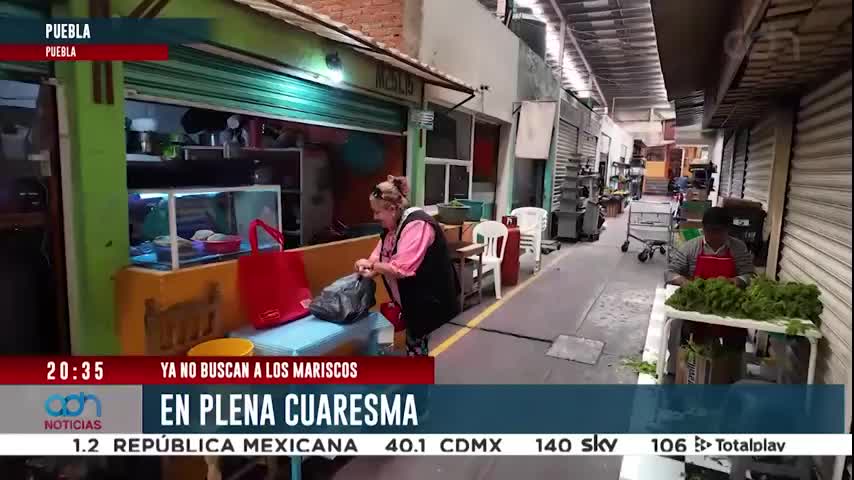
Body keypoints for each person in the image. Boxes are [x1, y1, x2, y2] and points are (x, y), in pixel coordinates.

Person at [354, 176, 460, 356]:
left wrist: (373, 266)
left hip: (429, 299)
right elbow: (379, 255)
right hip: (410, 300)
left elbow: (400, 269)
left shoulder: (417, 225)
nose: (375, 217)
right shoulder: (393, 228)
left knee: (417, 342)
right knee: (414, 342)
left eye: (377, 212)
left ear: (392, 209)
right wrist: (367, 266)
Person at [664, 206, 755, 376]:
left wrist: (736, 281)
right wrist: (684, 282)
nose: (714, 236)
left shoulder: (738, 248)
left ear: (727, 231)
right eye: (710, 231)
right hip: (696, 304)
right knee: (677, 324)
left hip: (727, 305)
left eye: (719, 232)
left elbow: (749, 274)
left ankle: (733, 374)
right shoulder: (691, 247)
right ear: (703, 229)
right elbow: (670, 272)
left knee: (738, 333)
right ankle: (676, 370)